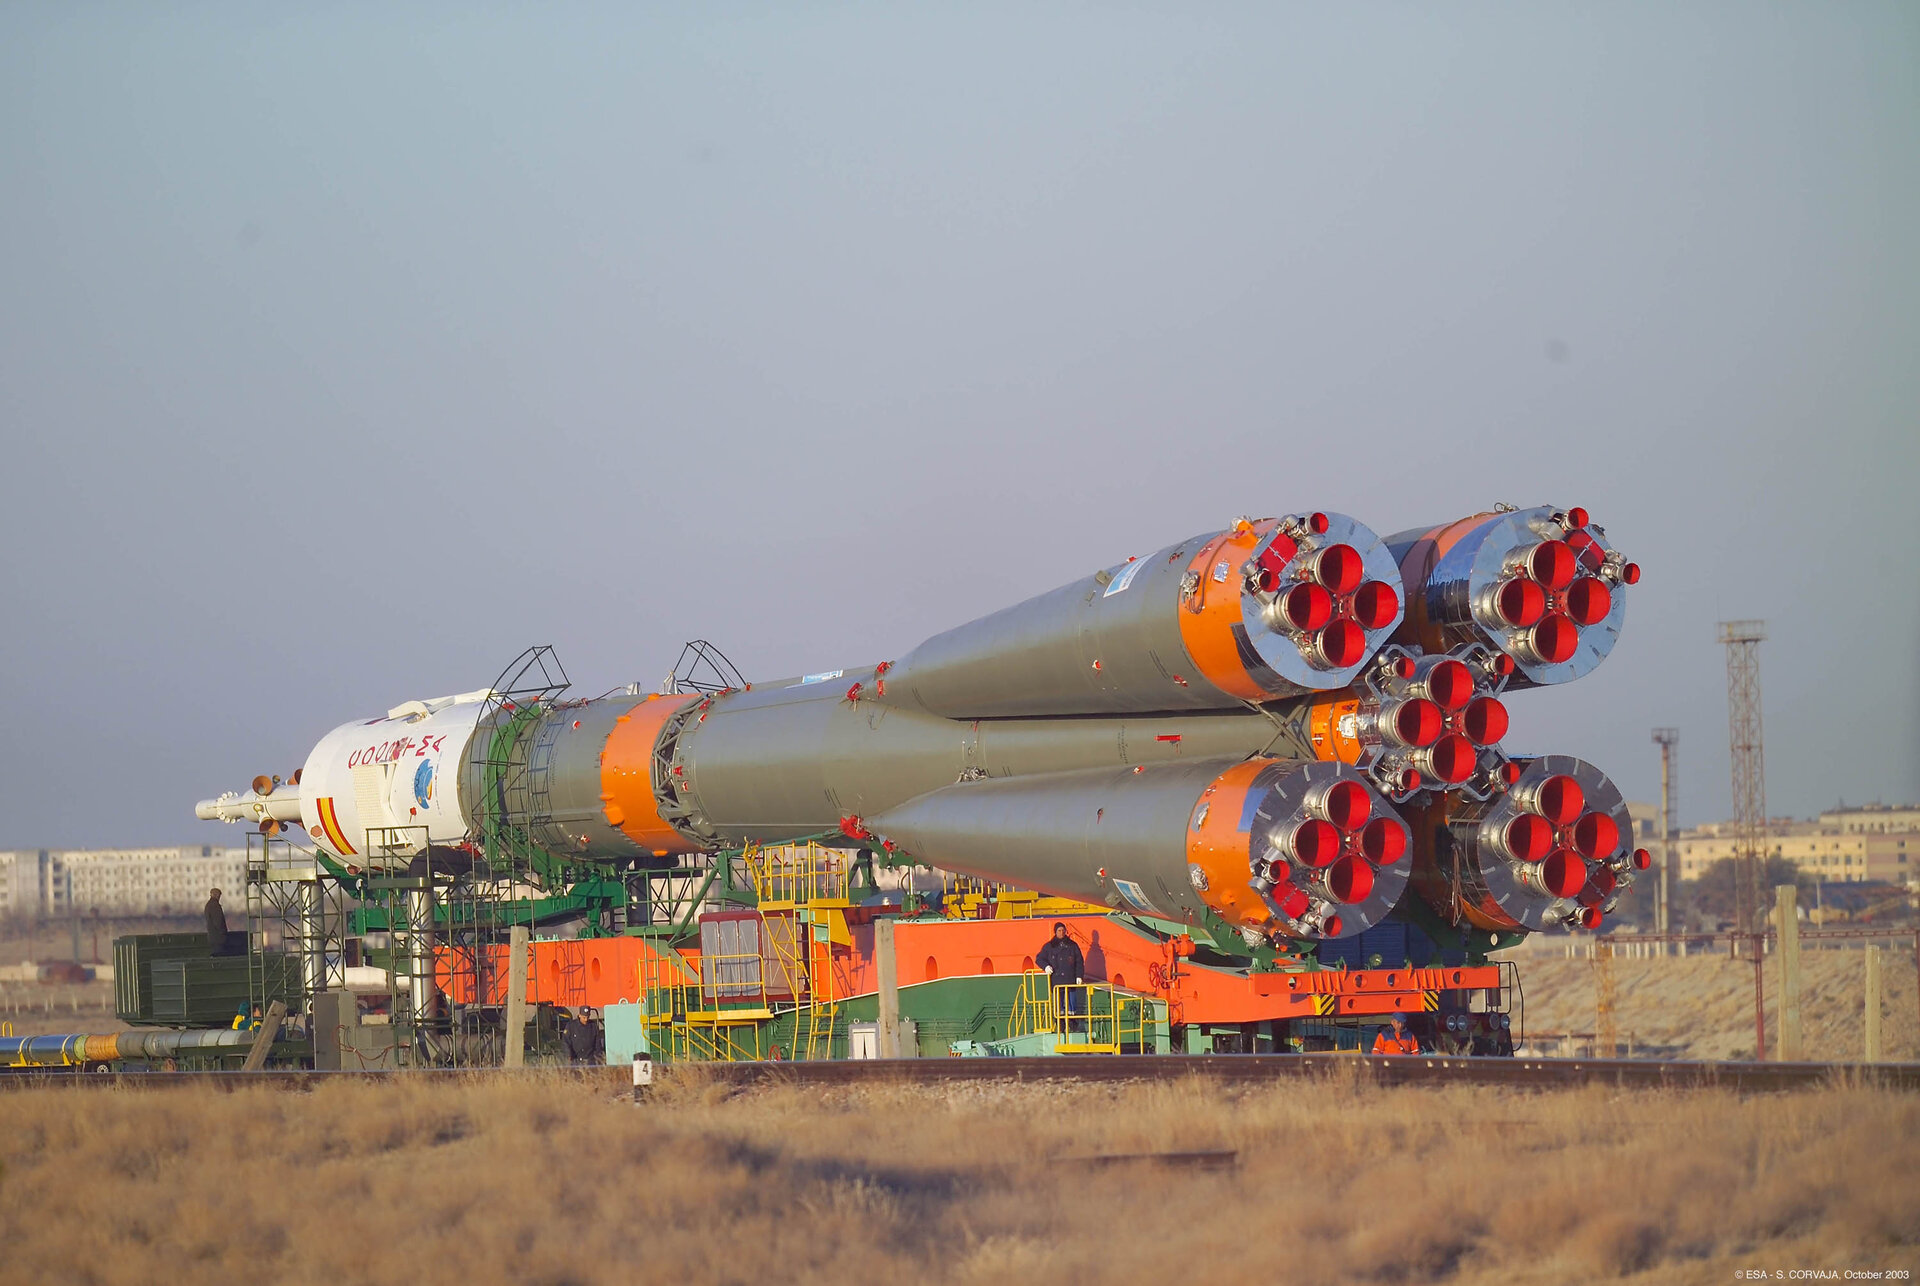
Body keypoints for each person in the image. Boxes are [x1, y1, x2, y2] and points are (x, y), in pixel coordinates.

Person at [1035, 922, 1085, 1032]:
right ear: (1055, 932)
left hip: (1070, 981)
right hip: (1057, 982)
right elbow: (1039, 958)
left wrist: (1079, 976)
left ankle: (1072, 1024)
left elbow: (1079, 962)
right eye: (1059, 931)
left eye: (1063, 930)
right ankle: (1060, 1025)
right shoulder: (1049, 946)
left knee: (1072, 1005)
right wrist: (1046, 966)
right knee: (1059, 1005)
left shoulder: (1073, 946)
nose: (1061, 933)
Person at [205, 887, 235, 956]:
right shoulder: (214, 906)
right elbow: (218, 922)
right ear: (217, 895)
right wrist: (223, 933)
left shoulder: (208, 905)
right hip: (218, 938)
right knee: (220, 956)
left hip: (213, 937)